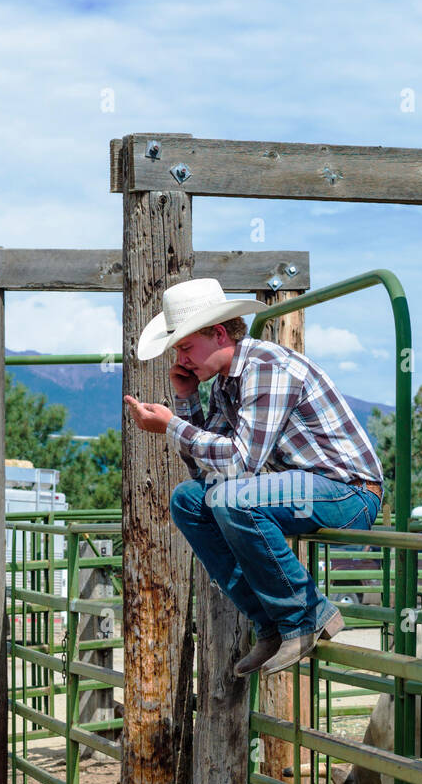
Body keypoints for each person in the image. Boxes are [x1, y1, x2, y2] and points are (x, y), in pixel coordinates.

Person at [123, 277, 384, 675]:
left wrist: (173, 425)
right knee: (188, 500)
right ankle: (272, 625)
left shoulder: (267, 368)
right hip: (300, 490)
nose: (181, 360)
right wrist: (187, 401)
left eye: (186, 347)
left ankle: (306, 615)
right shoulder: (226, 385)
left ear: (220, 334)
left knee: (233, 499)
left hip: (348, 493)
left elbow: (241, 462)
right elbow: (209, 468)